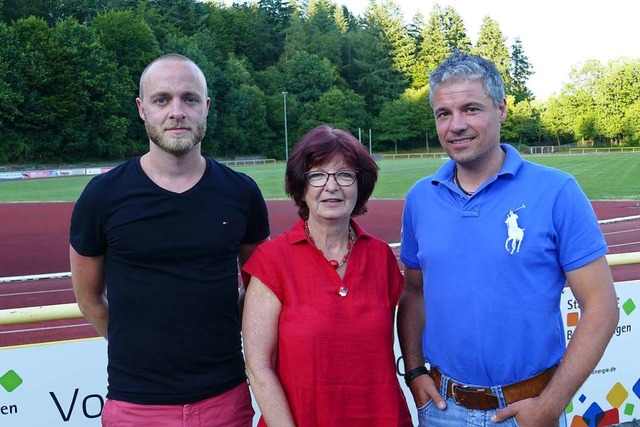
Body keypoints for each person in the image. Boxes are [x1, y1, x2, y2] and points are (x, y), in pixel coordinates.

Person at [397, 52, 619, 427]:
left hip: (529, 408)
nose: (456, 126)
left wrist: (550, 405)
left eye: (470, 109)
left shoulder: (557, 192)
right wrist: (415, 371)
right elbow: (414, 293)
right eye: (443, 114)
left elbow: (601, 307)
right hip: (442, 409)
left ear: (501, 109)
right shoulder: (420, 198)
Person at [69, 53, 269, 426]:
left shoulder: (241, 194)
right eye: (162, 99)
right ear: (142, 109)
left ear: (206, 107)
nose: (176, 111)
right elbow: (88, 298)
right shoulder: (101, 197)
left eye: (189, 99)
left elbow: (258, 289)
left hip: (225, 399)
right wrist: (135, 347)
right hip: (135, 405)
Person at [241, 125, 412, 427]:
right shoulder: (272, 261)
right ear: (300, 186)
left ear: (360, 185)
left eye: (345, 175)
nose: (331, 186)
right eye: (317, 175)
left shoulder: (381, 258)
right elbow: (258, 367)